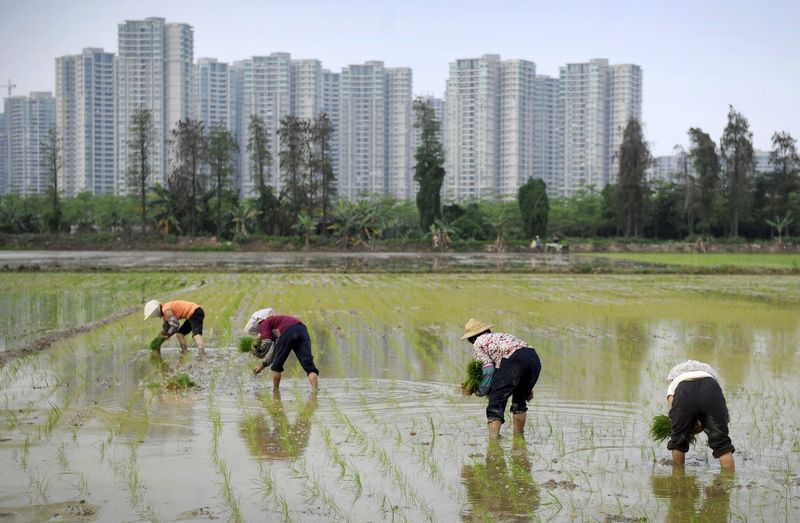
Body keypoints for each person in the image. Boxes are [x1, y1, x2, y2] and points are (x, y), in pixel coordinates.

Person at [461, 319, 541, 439]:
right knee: (519, 402)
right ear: (487, 330)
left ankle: (494, 441)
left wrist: (480, 390)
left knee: (496, 402)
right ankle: (519, 439)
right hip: (533, 359)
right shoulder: (501, 336)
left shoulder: (479, 342)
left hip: (514, 360)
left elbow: (488, 370)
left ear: (471, 338)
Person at [665, 360, 735, 470]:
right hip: (711, 390)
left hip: (684, 392)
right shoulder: (711, 380)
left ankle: (678, 477)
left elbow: (675, 409)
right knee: (722, 444)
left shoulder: (676, 382)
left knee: (678, 441)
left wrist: (689, 428)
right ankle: (729, 479)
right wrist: (704, 424)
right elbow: (718, 412)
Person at [248, 310, 319, 392]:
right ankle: (315, 392)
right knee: (309, 365)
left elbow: (267, 342)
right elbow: (274, 351)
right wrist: (262, 365)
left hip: (287, 331)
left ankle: (275, 391)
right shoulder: (276, 325)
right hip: (302, 329)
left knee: (277, 366)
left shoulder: (264, 323)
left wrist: (258, 351)